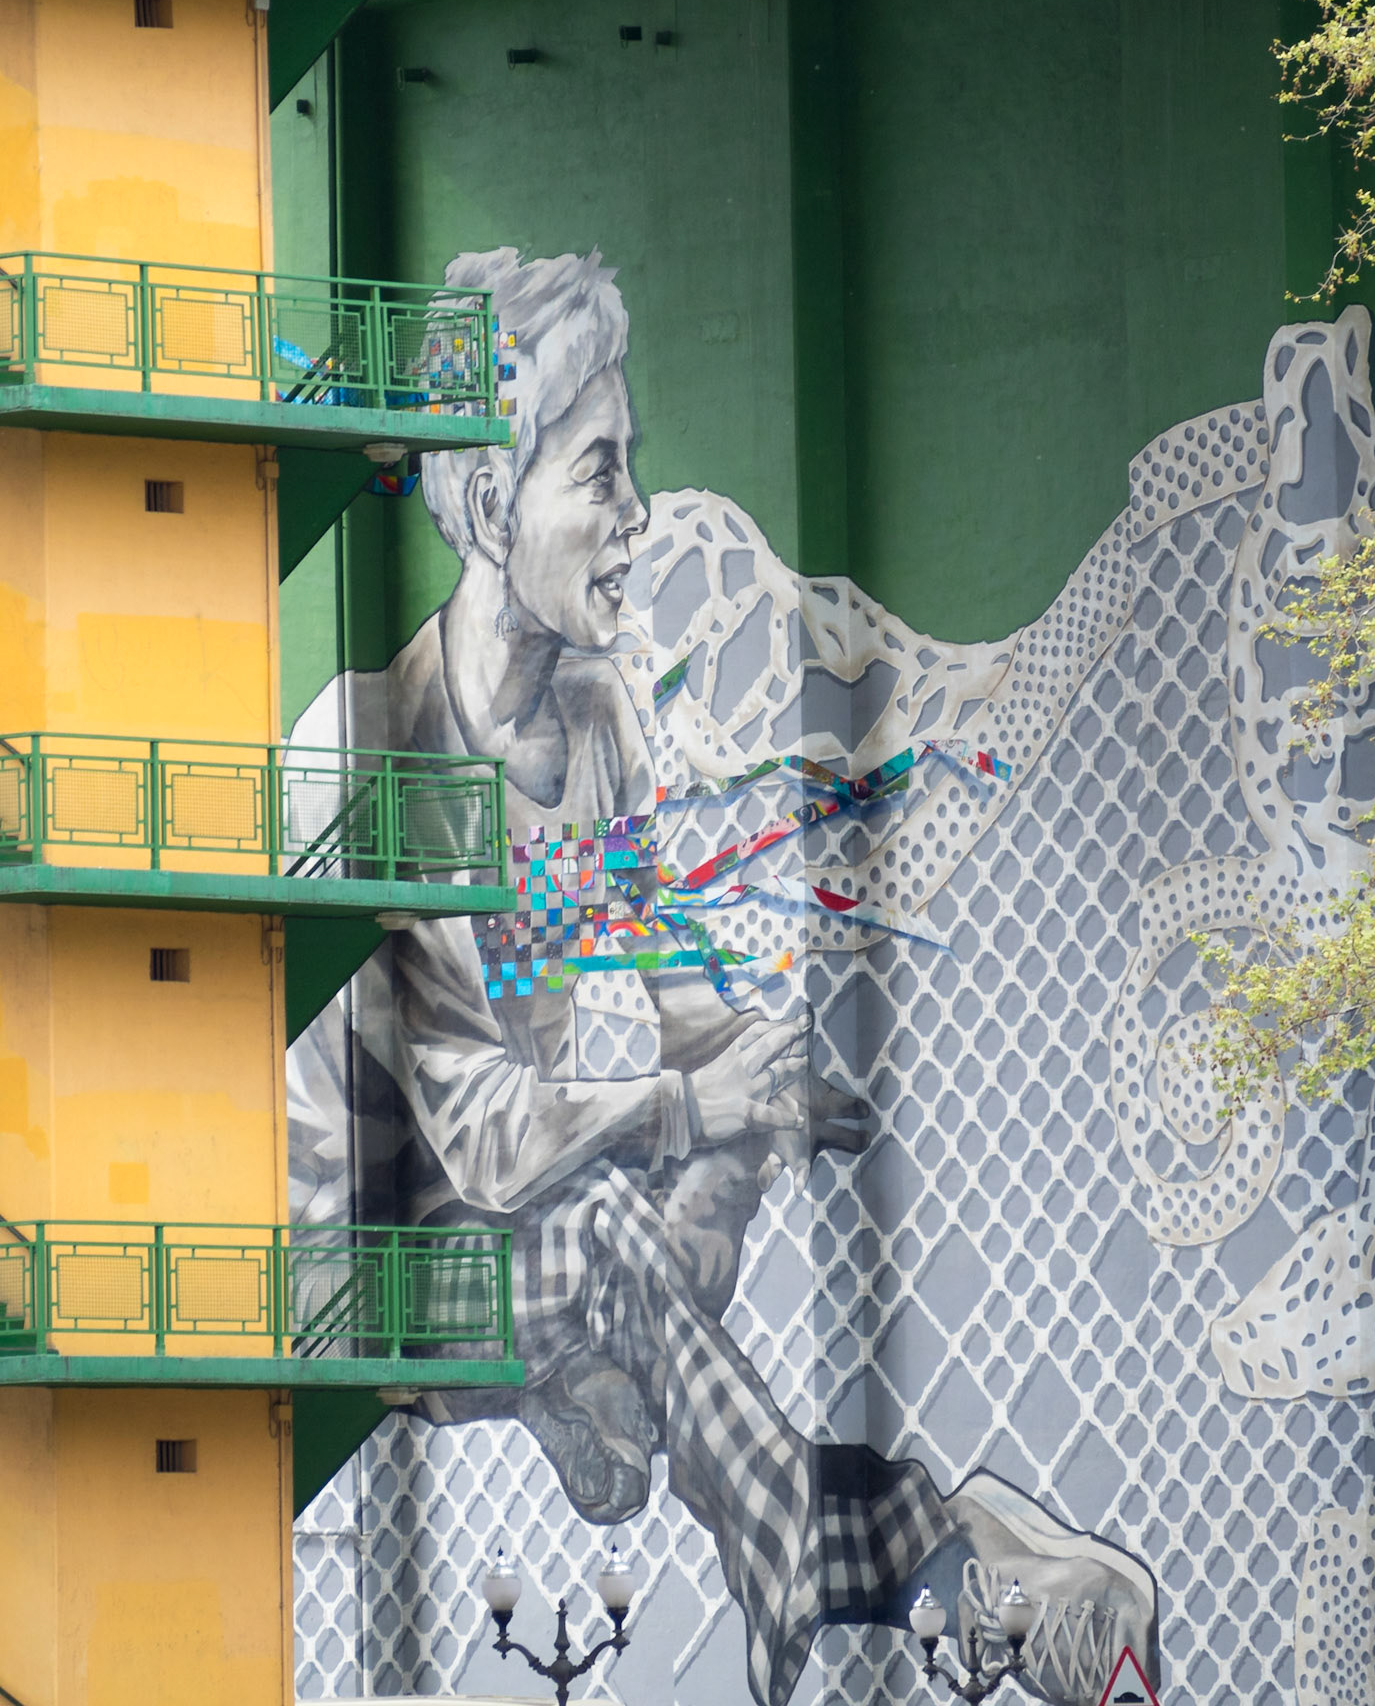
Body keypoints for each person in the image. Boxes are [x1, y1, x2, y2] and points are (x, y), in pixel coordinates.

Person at [288, 246, 1159, 1706]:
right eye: (601, 473)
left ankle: (619, 1391)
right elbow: (489, 1137)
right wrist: (688, 1114)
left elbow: (694, 1007)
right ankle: (853, 1535)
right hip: (358, 1279)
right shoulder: (379, 753)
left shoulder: (598, 721)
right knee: (615, 1222)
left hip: (528, 1238)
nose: (636, 513)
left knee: (691, 1175)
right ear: (493, 508)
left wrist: (745, 1127)